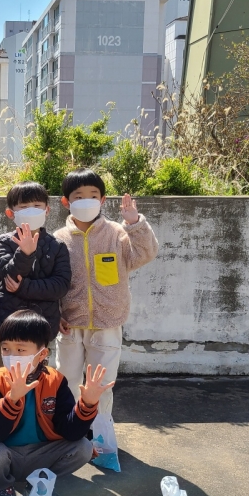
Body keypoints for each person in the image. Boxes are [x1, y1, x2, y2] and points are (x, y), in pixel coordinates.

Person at [54, 169, 159, 472]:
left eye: (92, 195)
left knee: (100, 386)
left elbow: (145, 253)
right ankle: (67, 436)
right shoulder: (58, 240)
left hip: (107, 324)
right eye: (78, 196)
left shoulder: (116, 233)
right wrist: (55, 314)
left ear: (102, 200)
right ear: (66, 202)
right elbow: (51, 281)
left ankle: (101, 442)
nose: (86, 200)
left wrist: (135, 224)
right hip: (70, 325)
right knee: (66, 382)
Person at [0, 310, 115, 496]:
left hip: (43, 454)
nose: (11, 355)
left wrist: (87, 404)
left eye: (20, 349)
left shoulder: (56, 381)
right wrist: (11, 399)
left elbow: (70, 432)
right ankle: (1, 489)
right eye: (6, 348)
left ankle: (39, 483)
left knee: (83, 448)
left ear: (42, 354)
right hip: (6, 454)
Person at [0, 181, 72, 376]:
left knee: (35, 380)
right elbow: (9, 276)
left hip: (40, 327)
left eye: (36, 206)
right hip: (4, 324)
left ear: (47, 210)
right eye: (23, 207)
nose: (31, 211)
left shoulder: (57, 246)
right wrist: (25, 254)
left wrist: (22, 287)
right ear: (11, 213)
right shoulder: (4, 242)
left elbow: (60, 286)